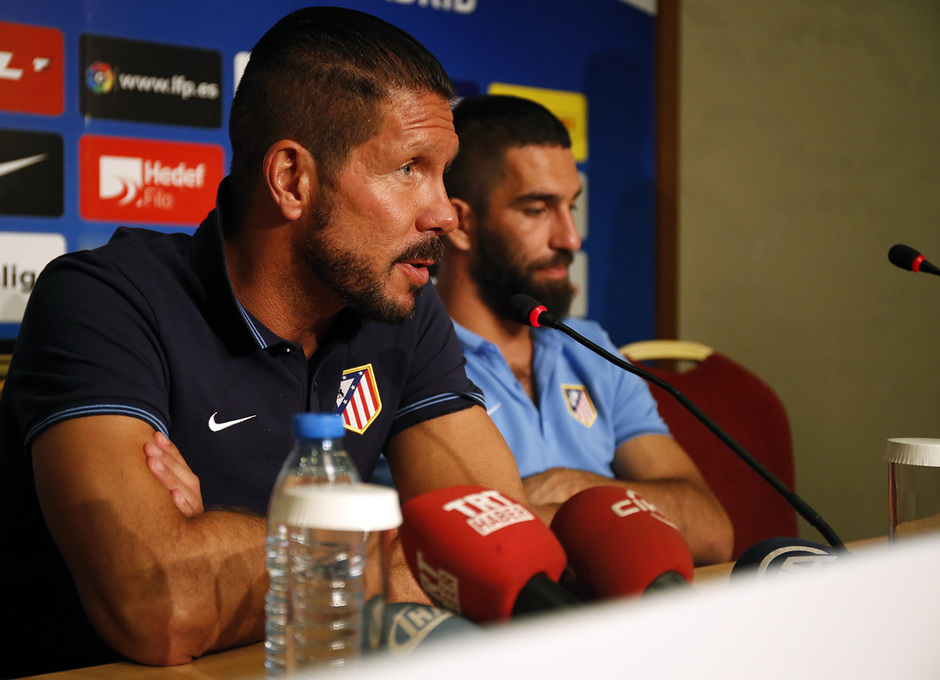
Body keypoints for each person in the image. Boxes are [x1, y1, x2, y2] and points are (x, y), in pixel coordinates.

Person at [0, 10, 528, 678]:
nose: (446, 213)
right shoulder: (104, 300)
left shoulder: (397, 306)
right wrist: (393, 550)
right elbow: (158, 606)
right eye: (409, 169)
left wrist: (215, 544)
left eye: (443, 172)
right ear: (291, 180)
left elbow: (496, 545)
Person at [428, 94, 733, 564]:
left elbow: (710, 529)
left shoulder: (590, 345)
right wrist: (627, 508)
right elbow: (469, 551)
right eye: (537, 208)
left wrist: (583, 490)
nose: (570, 238)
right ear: (461, 225)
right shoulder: (406, 356)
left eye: (572, 206)